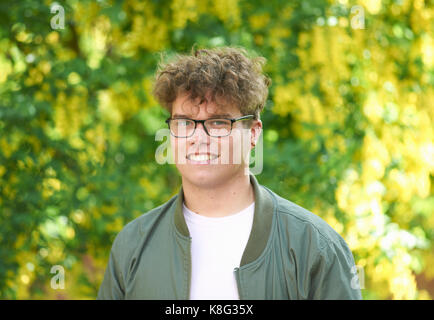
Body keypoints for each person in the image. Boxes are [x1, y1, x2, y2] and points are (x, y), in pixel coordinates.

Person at [97, 46, 362, 300]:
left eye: (218, 122)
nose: (198, 138)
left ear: (254, 132)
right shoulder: (132, 246)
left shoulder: (315, 247)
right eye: (184, 123)